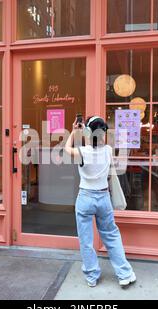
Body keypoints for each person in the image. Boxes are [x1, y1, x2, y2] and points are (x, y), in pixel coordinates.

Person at [65, 116, 136, 288]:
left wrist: (75, 131)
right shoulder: (108, 150)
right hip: (103, 198)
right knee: (111, 236)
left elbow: (67, 148)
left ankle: (91, 276)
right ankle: (125, 274)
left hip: (85, 198)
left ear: (88, 132)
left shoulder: (82, 151)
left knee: (86, 240)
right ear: (104, 134)